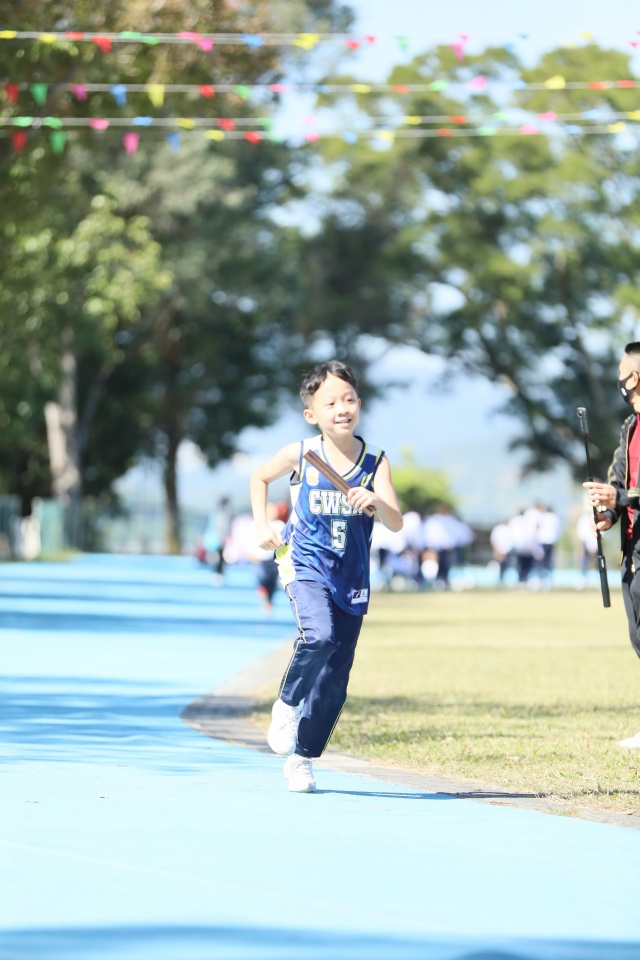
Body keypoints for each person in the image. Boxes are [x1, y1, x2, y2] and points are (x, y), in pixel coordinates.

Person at [250, 360, 403, 792]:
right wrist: (262, 526)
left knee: (335, 679)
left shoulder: (375, 461)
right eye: (330, 403)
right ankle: (287, 704)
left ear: (360, 404)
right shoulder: (301, 453)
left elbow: (396, 522)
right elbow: (259, 478)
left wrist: (375, 500)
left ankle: (302, 758)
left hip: (351, 576)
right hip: (305, 564)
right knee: (319, 636)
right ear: (311, 413)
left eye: (349, 399)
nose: (342, 409)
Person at [583, 341, 640, 749]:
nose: (618, 380)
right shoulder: (630, 427)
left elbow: (624, 491)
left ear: (634, 378)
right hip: (633, 550)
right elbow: (619, 481)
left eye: (621, 373)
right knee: (638, 636)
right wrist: (609, 513)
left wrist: (618, 497)